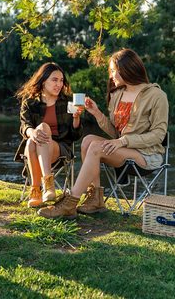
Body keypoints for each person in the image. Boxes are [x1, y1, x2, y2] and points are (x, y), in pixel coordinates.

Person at [38, 48, 169, 219]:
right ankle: (95, 200)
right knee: (88, 141)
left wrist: (123, 141)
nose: (111, 75)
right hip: (124, 150)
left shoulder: (156, 95)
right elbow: (115, 132)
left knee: (96, 148)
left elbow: (158, 135)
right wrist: (97, 112)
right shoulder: (117, 94)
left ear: (126, 69)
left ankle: (70, 203)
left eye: (113, 71)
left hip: (147, 155)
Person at [14, 62, 83, 208]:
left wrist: (76, 118)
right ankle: (42, 189)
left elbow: (75, 136)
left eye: (61, 80)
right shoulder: (30, 103)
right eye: (54, 80)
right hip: (34, 149)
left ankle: (42, 188)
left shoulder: (66, 103)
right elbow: (24, 125)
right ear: (43, 80)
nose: (59, 84)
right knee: (31, 141)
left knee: (42, 129)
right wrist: (32, 132)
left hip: (59, 149)